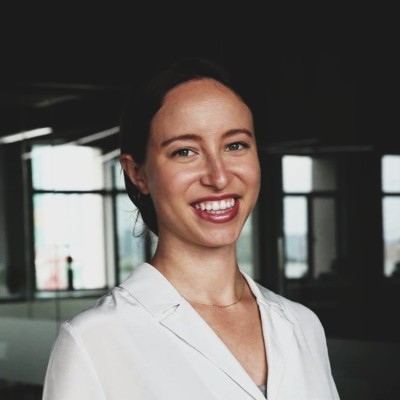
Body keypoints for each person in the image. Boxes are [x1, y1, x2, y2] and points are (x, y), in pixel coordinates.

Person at [42, 56, 340, 400]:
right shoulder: (94, 340)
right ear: (138, 174)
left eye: (235, 145)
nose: (219, 176)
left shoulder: (302, 325)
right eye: (185, 152)